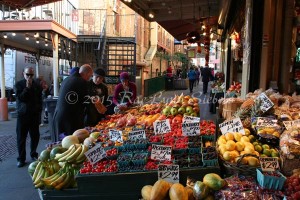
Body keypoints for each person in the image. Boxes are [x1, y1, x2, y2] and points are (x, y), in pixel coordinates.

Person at [52, 64, 93, 140]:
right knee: (71, 144)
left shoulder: (67, 79)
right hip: (70, 120)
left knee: (60, 144)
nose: (89, 78)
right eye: (90, 76)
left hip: (58, 117)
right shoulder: (82, 82)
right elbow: (87, 103)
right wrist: (91, 120)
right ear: (87, 74)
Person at [14, 67, 43, 167]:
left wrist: (39, 114)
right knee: (21, 137)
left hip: (34, 115)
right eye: (27, 75)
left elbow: (40, 100)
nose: (29, 77)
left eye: (31, 75)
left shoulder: (37, 85)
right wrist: (27, 88)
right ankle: (21, 158)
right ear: (23, 74)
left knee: (35, 136)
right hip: (22, 115)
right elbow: (21, 98)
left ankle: (33, 154)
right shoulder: (19, 84)